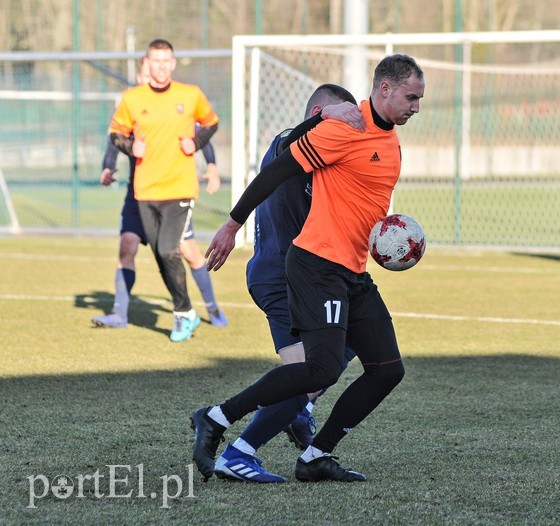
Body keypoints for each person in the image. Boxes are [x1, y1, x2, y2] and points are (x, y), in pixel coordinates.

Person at [191, 54, 424, 484]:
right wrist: (232, 222)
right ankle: (219, 418)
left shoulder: (391, 142)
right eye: (411, 96)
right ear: (385, 88)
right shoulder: (342, 127)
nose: (416, 106)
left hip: (351, 270)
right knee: (321, 368)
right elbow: (277, 168)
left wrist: (390, 240)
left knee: (387, 368)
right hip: (316, 265)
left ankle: (315, 455)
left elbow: (362, 204)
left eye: (420, 98)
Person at [214, 84, 364, 483]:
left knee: (350, 343)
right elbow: (288, 140)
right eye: (342, 116)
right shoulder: (288, 142)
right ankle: (237, 449)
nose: (347, 126)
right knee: (311, 371)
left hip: (298, 277)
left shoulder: (320, 161)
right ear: (318, 111)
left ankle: (299, 414)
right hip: (280, 276)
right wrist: (325, 118)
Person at [92, 58, 227, 330]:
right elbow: (114, 139)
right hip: (137, 195)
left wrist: (211, 166)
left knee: (187, 252)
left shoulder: (175, 104)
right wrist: (107, 168)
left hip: (171, 194)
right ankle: (119, 313)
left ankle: (211, 308)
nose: (149, 79)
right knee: (126, 246)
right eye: (145, 74)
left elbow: (199, 131)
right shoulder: (132, 108)